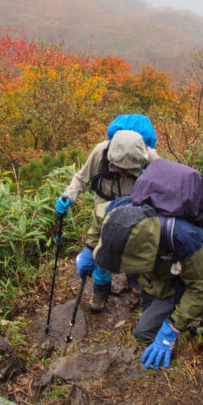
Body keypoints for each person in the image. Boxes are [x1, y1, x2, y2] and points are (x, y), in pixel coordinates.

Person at [89, 159, 203, 370]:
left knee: (143, 333)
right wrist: (88, 250)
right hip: (161, 268)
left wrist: (172, 330)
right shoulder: (119, 211)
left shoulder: (182, 236)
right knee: (148, 302)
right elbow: (97, 214)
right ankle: (164, 299)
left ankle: (198, 312)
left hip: (192, 266)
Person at [56, 114, 160, 312]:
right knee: (104, 248)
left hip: (135, 205)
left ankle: (135, 278)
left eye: (128, 171)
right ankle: (101, 289)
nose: (122, 175)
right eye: (119, 169)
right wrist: (68, 196)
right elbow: (81, 178)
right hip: (104, 205)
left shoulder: (151, 157)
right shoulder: (101, 151)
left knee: (136, 242)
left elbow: (165, 186)